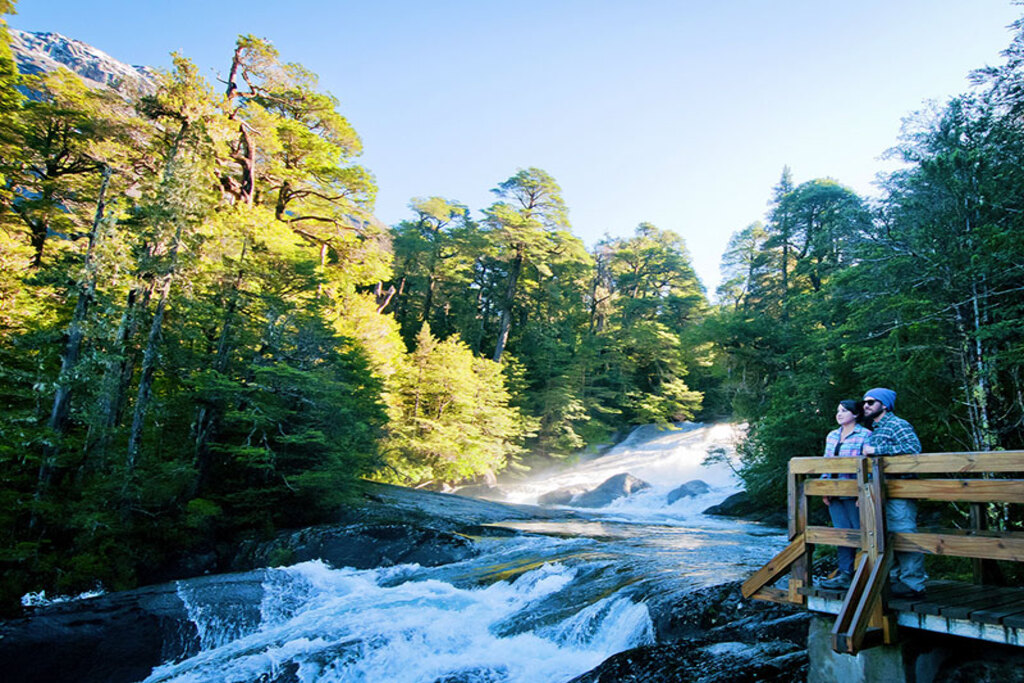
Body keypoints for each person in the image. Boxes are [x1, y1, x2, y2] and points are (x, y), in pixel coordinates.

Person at [861, 387, 925, 598]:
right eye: (864, 402)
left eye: (871, 402)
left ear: (884, 405)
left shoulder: (898, 424)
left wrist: (876, 451)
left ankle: (913, 583)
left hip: (899, 490)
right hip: (881, 492)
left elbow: (913, 448)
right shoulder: (876, 428)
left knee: (905, 533)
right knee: (888, 535)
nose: (866, 406)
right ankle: (897, 579)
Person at [819, 400, 871, 589]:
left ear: (855, 414)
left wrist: (862, 493)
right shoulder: (832, 435)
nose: (839, 414)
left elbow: (869, 465)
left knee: (861, 531)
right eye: (838, 411)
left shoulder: (865, 435)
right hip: (834, 492)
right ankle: (844, 574)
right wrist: (824, 487)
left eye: (844, 411)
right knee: (841, 533)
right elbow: (826, 462)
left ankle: (868, 575)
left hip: (854, 491)